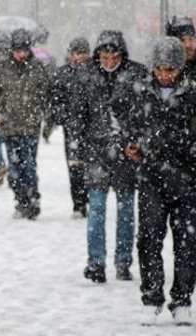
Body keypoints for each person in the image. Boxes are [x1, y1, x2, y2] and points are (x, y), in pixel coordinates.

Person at [114, 37, 196, 326]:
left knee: (187, 243)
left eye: (170, 69)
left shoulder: (192, 93)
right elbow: (123, 124)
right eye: (160, 68)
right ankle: (151, 297)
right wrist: (128, 144)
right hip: (150, 179)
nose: (165, 74)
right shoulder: (139, 91)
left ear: (180, 68)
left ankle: (183, 299)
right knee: (148, 239)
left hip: (187, 180)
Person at [75, 30, 148, 283]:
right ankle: (95, 262)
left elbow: (143, 114)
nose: (108, 61)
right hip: (96, 151)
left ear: (121, 55)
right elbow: (78, 115)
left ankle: (122, 262)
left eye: (113, 56)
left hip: (126, 153)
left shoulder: (136, 75)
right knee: (96, 208)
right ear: (98, 55)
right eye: (104, 56)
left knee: (126, 209)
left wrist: (135, 142)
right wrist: (78, 145)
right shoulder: (86, 76)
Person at [0, 29, 52, 219]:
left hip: (31, 125)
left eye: (23, 50)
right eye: (17, 50)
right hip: (9, 126)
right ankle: (21, 200)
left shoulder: (37, 68)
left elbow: (46, 93)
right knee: (15, 168)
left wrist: (41, 112)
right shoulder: (1, 68)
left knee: (29, 165)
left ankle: (33, 198)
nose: (20, 54)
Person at [51, 37, 91, 218]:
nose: (77, 57)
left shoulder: (94, 73)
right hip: (72, 128)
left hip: (92, 128)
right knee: (75, 167)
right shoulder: (62, 74)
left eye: (81, 53)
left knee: (91, 167)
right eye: (74, 53)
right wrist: (62, 116)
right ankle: (79, 203)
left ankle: (89, 198)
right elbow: (55, 99)